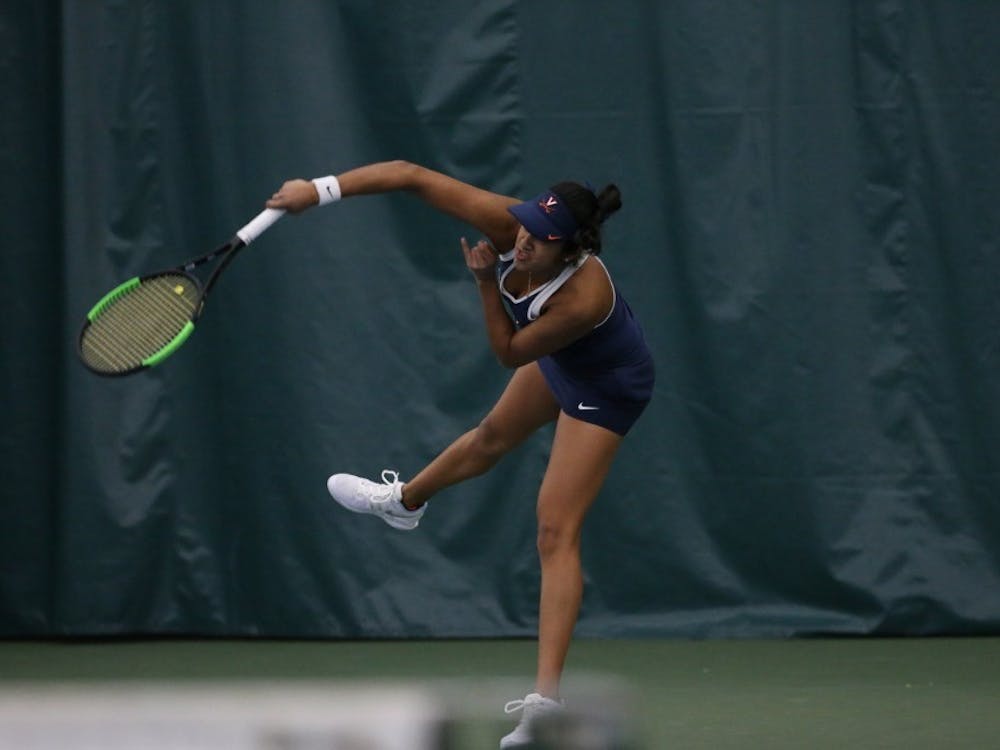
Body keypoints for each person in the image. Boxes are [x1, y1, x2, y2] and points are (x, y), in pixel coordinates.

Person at [266, 161, 654, 748]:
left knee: (555, 529)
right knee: (491, 436)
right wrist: (314, 192)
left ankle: (545, 708)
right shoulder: (510, 229)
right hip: (564, 362)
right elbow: (408, 175)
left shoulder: (582, 297)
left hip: (608, 385)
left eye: (541, 238)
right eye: (524, 225)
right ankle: (404, 502)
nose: (522, 239)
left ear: (571, 251)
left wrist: (481, 282)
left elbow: (508, 352)